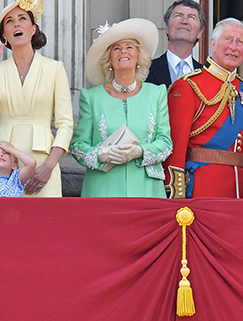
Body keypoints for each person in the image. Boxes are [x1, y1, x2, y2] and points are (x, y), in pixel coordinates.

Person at [0, 0, 74, 197]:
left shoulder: (55, 68)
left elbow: (65, 124)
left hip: (44, 158)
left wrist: (49, 166)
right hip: (3, 162)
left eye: (22, 19)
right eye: (9, 21)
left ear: (33, 28)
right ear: (4, 36)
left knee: (45, 224)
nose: (16, 24)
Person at [163, 17, 243, 198]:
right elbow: (176, 146)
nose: (234, 47)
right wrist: (175, 192)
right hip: (201, 189)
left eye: (240, 42)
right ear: (213, 44)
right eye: (228, 40)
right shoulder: (188, 86)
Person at [69, 18, 172, 197]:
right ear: (109, 59)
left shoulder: (157, 93)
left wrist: (140, 151)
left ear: (139, 56)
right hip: (103, 189)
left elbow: (166, 143)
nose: (123, 51)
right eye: (116, 48)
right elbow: (78, 146)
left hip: (147, 190)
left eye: (129, 47)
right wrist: (101, 154)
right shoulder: (91, 97)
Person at [146, 0, 205, 87]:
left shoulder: (206, 75)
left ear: (200, 32)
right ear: (166, 27)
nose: (184, 21)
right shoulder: (145, 71)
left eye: (191, 17)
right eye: (178, 15)